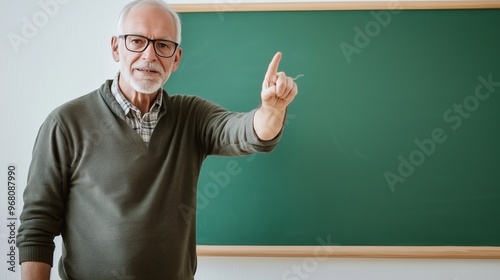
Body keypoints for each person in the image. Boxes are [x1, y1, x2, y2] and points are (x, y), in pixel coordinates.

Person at [16, 0, 298, 279]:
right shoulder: (66, 123)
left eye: (163, 45)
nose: (150, 55)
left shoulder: (191, 116)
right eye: (137, 41)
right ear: (116, 47)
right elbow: (37, 226)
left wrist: (271, 110)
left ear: (176, 59)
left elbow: (247, 132)